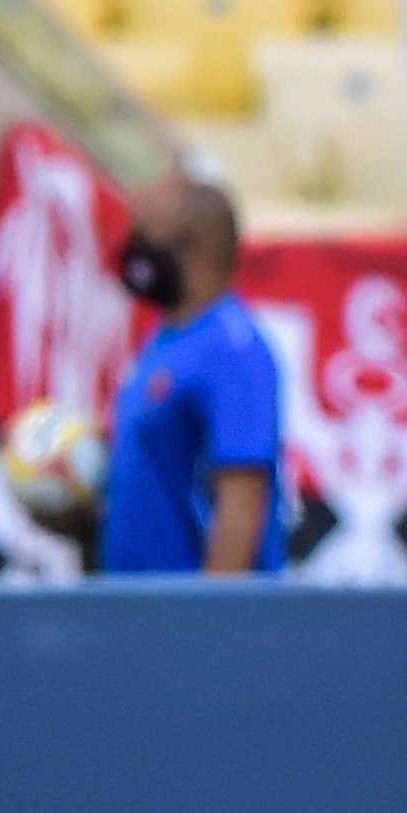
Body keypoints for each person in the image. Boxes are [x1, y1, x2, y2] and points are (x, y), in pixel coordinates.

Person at [96, 173, 287, 575]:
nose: (131, 254)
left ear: (191, 249)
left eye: (143, 237)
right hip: (138, 609)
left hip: (186, 620)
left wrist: (209, 624)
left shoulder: (233, 349)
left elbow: (242, 497)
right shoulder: (165, 340)